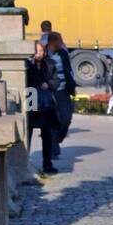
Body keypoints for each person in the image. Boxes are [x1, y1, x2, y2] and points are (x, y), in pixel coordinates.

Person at [26, 39, 60, 175]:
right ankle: (25, 160)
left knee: (47, 133)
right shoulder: (28, 64)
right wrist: (33, 63)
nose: (38, 54)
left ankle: (47, 163)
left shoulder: (50, 64)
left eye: (40, 51)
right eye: (36, 51)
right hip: (31, 97)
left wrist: (49, 84)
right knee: (28, 131)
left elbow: (56, 80)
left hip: (45, 101)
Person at [47, 31, 77, 158]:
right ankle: (53, 148)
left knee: (66, 119)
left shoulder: (63, 54)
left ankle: (57, 140)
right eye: (60, 40)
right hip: (50, 92)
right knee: (52, 121)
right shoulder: (45, 55)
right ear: (54, 42)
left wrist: (72, 86)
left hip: (63, 92)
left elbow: (69, 71)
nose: (62, 42)